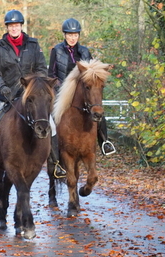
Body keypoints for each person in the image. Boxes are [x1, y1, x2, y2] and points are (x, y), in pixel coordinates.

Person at [0, 10, 66, 178]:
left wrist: (35, 85)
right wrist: (2, 86)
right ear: (7, 27)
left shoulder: (33, 45)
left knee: (50, 123)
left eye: (16, 25)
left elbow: (42, 69)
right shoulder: (0, 47)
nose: (14, 28)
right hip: (6, 94)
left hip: (31, 95)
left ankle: (55, 163)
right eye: (11, 26)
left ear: (21, 26)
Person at [48, 18, 116, 155]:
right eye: (69, 35)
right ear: (64, 35)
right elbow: (51, 74)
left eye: (75, 35)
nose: (72, 38)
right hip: (62, 91)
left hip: (81, 92)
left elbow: (92, 71)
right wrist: (60, 87)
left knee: (98, 110)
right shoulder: (57, 50)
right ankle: (51, 150)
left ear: (78, 35)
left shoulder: (85, 51)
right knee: (48, 115)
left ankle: (105, 142)